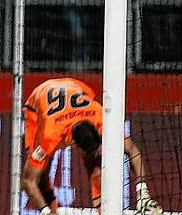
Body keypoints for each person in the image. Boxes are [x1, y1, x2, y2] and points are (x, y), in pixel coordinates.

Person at [22, 78, 161, 215]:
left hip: (75, 86)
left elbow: (132, 150)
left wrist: (142, 192)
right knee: (41, 175)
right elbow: (28, 181)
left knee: (96, 164)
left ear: (97, 130)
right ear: (74, 145)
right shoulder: (48, 136)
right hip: (37, 103)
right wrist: (46, 212)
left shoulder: (100, 116)